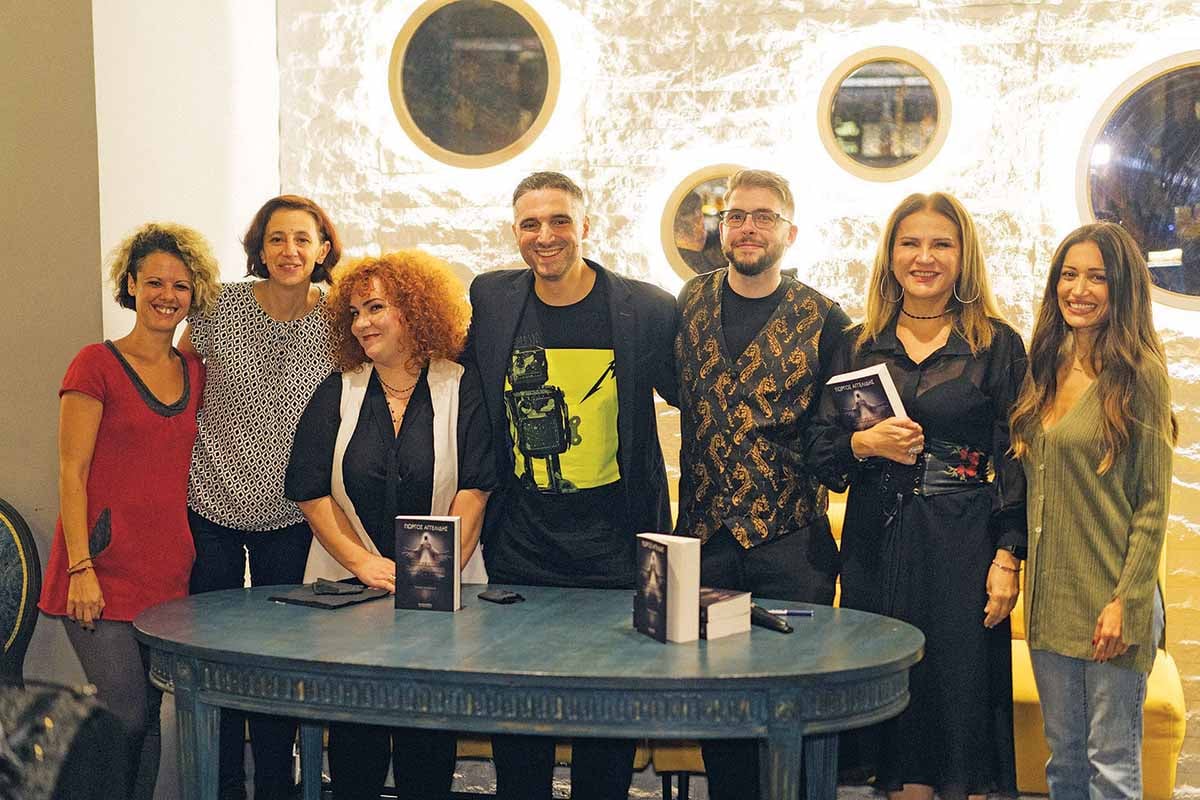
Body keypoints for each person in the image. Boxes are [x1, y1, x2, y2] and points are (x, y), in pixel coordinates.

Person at [462, 171, 677, 800]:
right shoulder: (492, 297)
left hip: (615, 543)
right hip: (520, 542)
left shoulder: (647, 308)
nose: (545, 235)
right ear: (514, 231)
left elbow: (695, 396)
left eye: (559, 220)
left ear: (585, 225)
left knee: (606, 715)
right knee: (517, 715)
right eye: (530, 224)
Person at [809, 192, 1026, 799]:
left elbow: (1015, 455)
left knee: (956, 704)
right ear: (891, 254)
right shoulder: (855, 343)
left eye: (940, 244)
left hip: (963, 546)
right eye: (910, 243)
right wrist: (864, 443)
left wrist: (1008, 556)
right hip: (875, 548)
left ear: (963, 256)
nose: (924, 257)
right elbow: (820, 451)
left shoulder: (997, 345)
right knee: (892, 713)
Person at [285, 250, 494, 800]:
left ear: (415, 311)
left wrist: (427, 575)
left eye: (376, 308)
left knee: (427, 751)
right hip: (351, 598)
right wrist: (364, 564)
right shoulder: (339, 390)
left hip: (438, 601)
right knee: (355, 753)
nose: (362, 323)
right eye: (354, 313)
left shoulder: (460, 386)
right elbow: (309, 489)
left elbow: (475, 487)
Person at [673, 168, 851, 798]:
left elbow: (835, 432)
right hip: (707, 543)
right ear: (722, 229)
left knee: (792, 705)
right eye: (737, 216)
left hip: (791, 544)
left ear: (790, 232)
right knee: (719, 709)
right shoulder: (689, 301)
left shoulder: (827, 320)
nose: (749, 228)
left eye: (764, 217)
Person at [38, 222, 221, 800]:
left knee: (151, 717)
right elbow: (71, 473)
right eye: (155, 282)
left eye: (181, 286)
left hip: (167, 572)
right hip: (99, 569)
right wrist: (80, 568)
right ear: (131, 285)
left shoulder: (195, 371)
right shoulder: (94, 364)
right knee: (125, 712)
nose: (167, 295)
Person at [179, 195, 341, 800]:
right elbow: (175, 374)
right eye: (277, 239)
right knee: (216, 653)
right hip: (212, 505)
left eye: (302, 239)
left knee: (279, 658)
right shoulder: (220, 306)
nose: (289, 251)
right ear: (260, 248)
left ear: (323, 250)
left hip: (294, 516)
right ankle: (222, 785)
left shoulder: (338, 319)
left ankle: (277, 783)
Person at [1009, 222, 1176, 799]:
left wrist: (1128, 603)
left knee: (1112, 769)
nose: (1078, 290)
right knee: (1064, 763)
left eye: (1097, 277)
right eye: (1069, 275)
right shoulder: (1044, 364)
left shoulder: (1139, 376)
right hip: (1050, 600)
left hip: (1112, 602)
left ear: (1121, 287)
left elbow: (1153, 504)